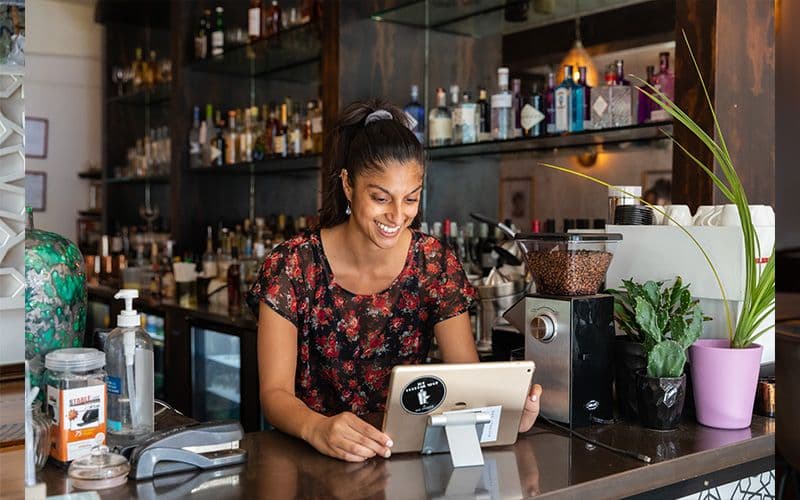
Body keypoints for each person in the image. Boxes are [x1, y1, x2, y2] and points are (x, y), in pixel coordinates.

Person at [248, 98, 543, 462]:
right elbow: (274, 394)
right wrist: (317, 427)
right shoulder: (292, 265)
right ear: (348, 185)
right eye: (380, 198)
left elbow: (466, 383)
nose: (397, 215)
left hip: (401, 457)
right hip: (310, 456)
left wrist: (508, 415)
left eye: (410, 199)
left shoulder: (433, 262)